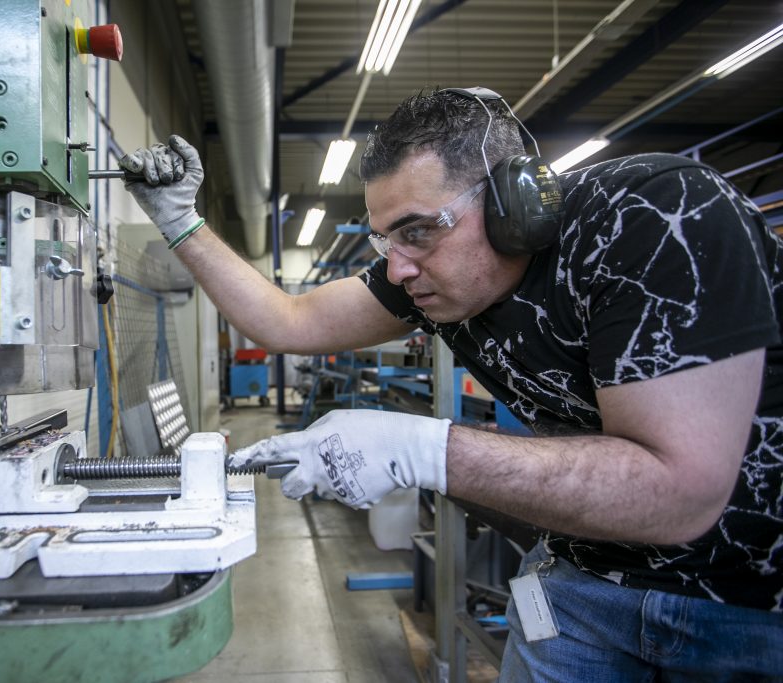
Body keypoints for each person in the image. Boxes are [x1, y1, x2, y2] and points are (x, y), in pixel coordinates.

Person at [118, 87, 783, 681]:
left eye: (417, 231)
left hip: (751, 605)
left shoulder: (655, 216)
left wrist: (423, 448)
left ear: (514, 204)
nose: (399, 268)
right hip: (583, 583)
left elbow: (681, 492)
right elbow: (287, 318)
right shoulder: (433, 277)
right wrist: (181, 221)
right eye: (386, 240)